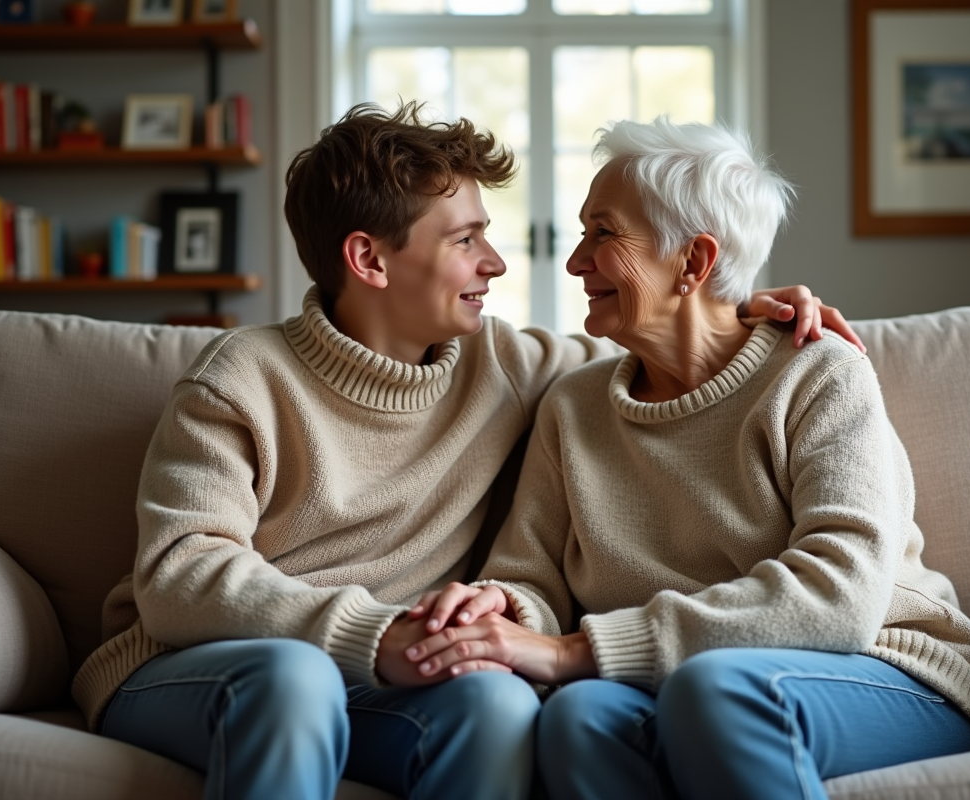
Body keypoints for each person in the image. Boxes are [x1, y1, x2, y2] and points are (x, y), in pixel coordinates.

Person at [70, 101, 860, 800]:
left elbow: (666, 357)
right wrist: (374, 636)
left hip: (399, 673)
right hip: (208, 664)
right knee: (295, 677)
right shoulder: (240, 377)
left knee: (498, 702)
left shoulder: (511, 368)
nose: (496, 262)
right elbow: (180, 575)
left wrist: (738, 310)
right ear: (369, 260)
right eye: (467, 239)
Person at [406, 117, 970, 800]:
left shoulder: (817, 374)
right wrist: (505, 607)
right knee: (577, 718)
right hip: (679, 684)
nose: (575, 262)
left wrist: (575, 651)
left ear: (692, 262)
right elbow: (530, 575)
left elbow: (841, 595)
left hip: (886, 671)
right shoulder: (573, 407)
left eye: (603, 234)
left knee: (715, 690)